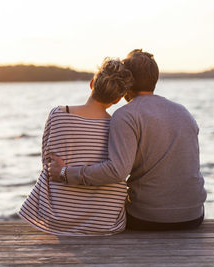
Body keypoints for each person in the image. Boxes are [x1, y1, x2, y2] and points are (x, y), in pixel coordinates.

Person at [49, 49, 207, 231]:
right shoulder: (183, 111)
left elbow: (117, 171)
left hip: (148, 218)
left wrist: (65, 173)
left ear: (127, 81)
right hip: (193, 215)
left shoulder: (126, 115)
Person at [18, 58, 134, 235]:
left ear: (92, 83)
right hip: (106, 222)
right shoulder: (116, 126)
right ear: (118, 99)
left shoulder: (59, 114)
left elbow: (46, 162)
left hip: (57, 220)